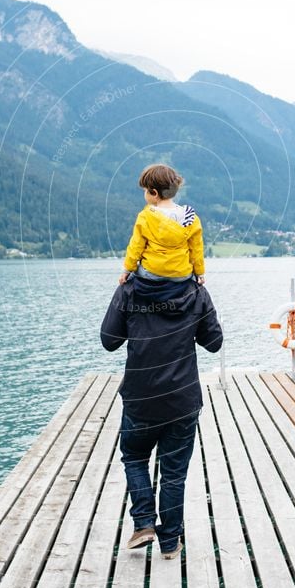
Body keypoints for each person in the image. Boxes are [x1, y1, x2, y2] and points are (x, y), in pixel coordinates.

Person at [100, 268, 223, 559]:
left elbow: (109, 340)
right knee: (173, 474)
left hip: (140, 399)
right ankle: (169, 542)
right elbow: (214, 342)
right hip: (182, 400)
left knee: (134, 457)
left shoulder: (128, 291)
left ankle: (143, 523)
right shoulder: (196, 293)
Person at [118, 163, 205, 286]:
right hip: (181, 275)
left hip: (152, 273)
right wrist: (199, 273)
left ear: (154, 193)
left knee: (132, 280)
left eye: (145, 191)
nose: (144, 194)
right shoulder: (190, 218)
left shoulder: (146, 216)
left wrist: (127, 270)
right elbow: (196, 248)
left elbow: (136, 246)